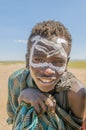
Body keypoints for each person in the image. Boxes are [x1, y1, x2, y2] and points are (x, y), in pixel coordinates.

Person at [7, 20, 86, 130]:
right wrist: (23, 97)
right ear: (27, 60)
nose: (48, 71)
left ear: (66, 64)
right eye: (38, 59)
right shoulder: (16, 81)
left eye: (58, 61)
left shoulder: (76, 93)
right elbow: (15, 118)